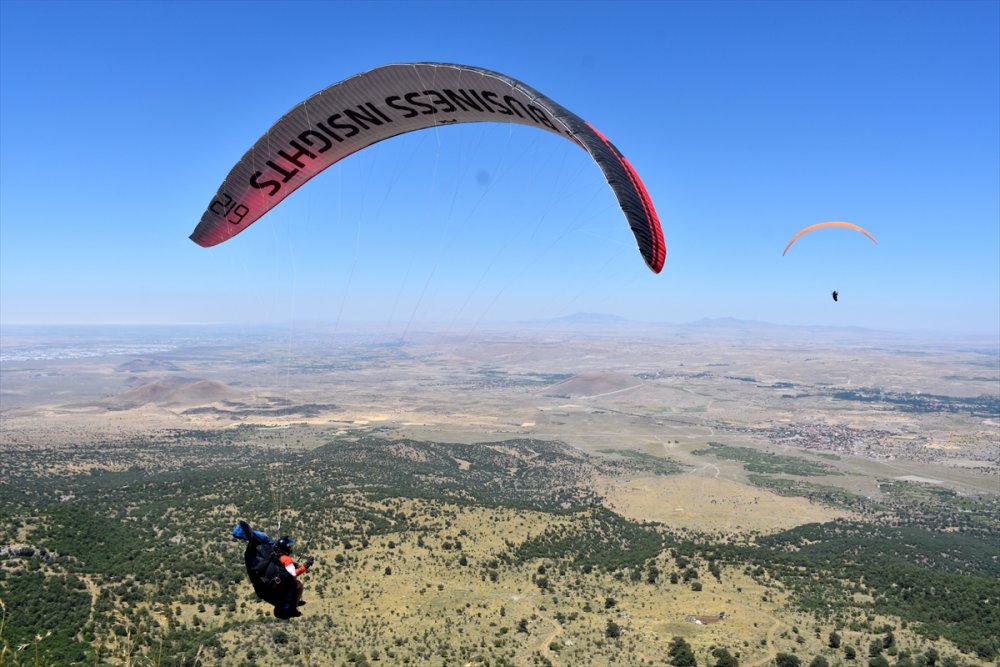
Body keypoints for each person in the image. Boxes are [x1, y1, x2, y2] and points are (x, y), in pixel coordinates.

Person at [237, 521, 314, 619]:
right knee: (298, 583)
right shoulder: (285, 559)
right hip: (273, 586)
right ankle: (292, 606)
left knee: (294, 583)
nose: (291, 548)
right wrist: (306, 565)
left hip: (265, 587)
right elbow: (294, 573)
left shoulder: (275, 555)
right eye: (289, 547)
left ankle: (293, 602)